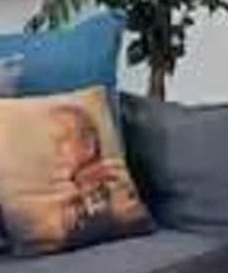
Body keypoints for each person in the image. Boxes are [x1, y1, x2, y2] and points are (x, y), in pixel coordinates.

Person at [19, 100, 148, 249]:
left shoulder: (106, 178)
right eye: (50, 142)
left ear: (89, 145)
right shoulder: (70, 188)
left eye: (62, 140)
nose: (55, 149)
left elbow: (117, 213)